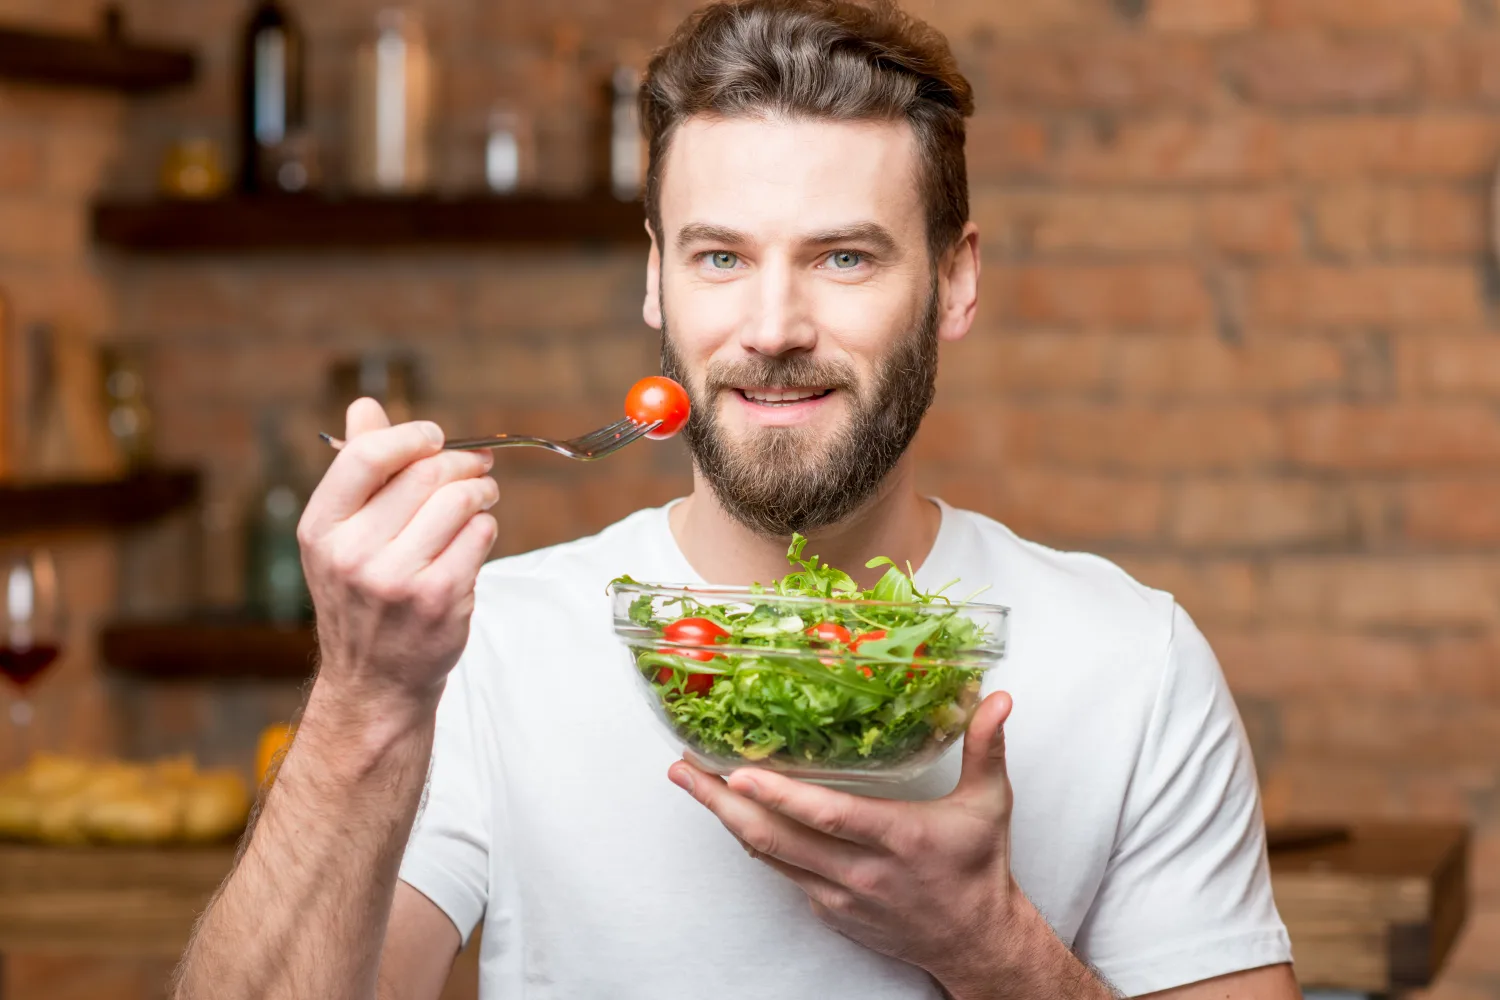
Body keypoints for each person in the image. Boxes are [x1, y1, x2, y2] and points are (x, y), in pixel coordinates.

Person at [171, 2, 1300, 998]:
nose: (771, 328)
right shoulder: (487, 648)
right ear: (654, 278)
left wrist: (990, 948)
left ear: (954, 281)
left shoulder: (1131, 659)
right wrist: (364, 700)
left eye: (844, 258)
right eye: (720, 258)